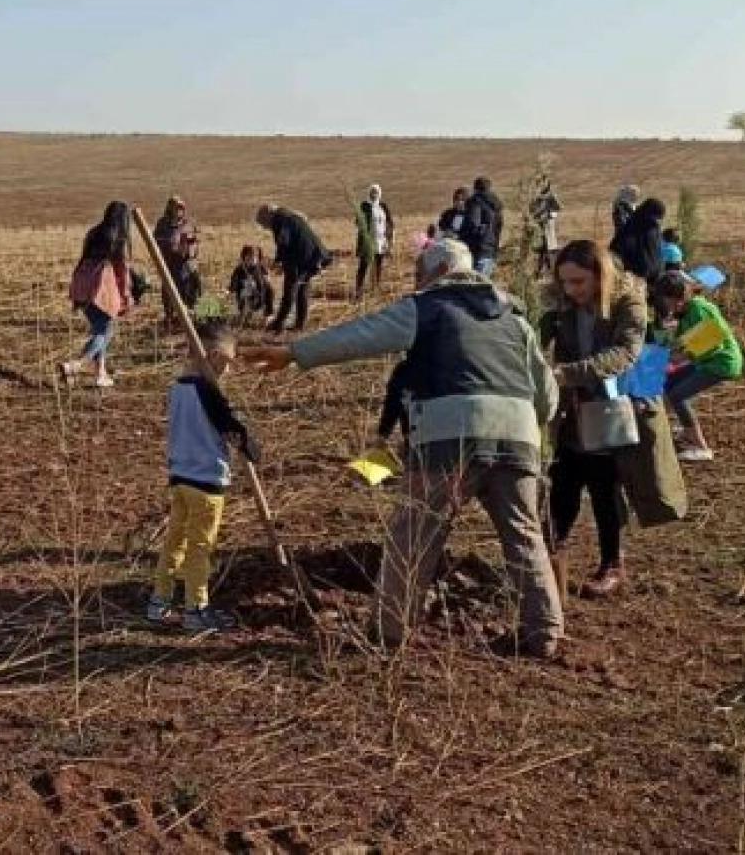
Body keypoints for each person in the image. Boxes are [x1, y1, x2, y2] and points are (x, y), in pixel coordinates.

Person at [240, 239, 563, 657]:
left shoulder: (427, 306)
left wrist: (294, 352)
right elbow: (548, 396)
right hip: (518, 435)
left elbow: (361, 334)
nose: (416, 282)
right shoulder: (515, 320)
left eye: (419, 274)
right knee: (523, 533)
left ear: (439, 270)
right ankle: (546, 632)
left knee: (414, 534)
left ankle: (389, 631)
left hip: (450, 434)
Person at [539, 241, 647, 597]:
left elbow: (624, 354)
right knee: (563, 480)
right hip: (571, 411)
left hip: (612, 407)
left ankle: (612, 564)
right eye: (565, 282)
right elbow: (540, 341)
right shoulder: (559, 303)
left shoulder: (627, 301)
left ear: (601, 276)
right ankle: (551, 559)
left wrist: (566, 374)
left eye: (579, 282)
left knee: (604, 487)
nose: (571, 290)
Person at [146, 321, 260, 631]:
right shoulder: (210, 393)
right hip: (207, 483)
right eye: (228, 362)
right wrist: (249, 444)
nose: (229, 371)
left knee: (175, 541)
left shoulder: (177, 387)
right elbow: (231, 430)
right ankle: (196, 608)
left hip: (180, 477)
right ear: (212, 357)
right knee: (200, 547)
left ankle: (160, 600)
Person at [657, 272, 742, 462]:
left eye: (667, 300)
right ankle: (688, 428)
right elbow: (680, 342)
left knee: (677, 396)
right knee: (669, 383)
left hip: (721, 362)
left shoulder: (698, 309)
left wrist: (677, 358)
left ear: (677, 297)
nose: (665, 305)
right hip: (706, 360)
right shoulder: (686, 311)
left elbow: (713, 343)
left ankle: (701, 447)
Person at [62, 202, 134, 387]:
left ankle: (100, 373)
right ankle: (76, 365)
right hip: (100, 287)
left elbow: (83, 257)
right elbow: (123, 271)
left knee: (101, 329)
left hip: (81, 281)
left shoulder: (93, 233)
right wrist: (126, 296)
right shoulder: (118, 239)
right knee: (103, 332)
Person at [257, 203, 330, 334]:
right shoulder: (290, 216)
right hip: (313, 256)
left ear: (268, 217)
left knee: (289, 291)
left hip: (302, 259)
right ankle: (299, 324)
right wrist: (281, 261)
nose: (265, 228)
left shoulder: (280, 219)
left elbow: (283, 241)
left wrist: (279, 261)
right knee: (302, 290)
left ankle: (278, 324)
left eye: (264, 224)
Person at [153, 197, 201, 324]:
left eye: (182, 207)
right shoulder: (162, 223)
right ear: (170, 208)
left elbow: (195, 242)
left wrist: (191, 249)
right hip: (169, 263)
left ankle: (189, 317)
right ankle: (169, 316)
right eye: (177, 207)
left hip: (186, 263)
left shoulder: (188, 223)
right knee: (169, 290)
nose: (180, 210)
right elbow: (156, 241)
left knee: (189, 288)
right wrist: (172, 247)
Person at [610, 197, 665, 283]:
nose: (656, 223)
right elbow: (615, 258)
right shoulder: (628, 232)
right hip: (633, 285)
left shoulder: (653, 229)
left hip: (655, 284)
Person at [354, 184, 394, 296]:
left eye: (376, 192)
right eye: (372, 192)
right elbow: (358, 222)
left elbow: (390, 223)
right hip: (368, 241)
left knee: (377, 265)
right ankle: (358, 290)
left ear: (380, 193)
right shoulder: (365, 205)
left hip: (380, 241)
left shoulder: (383, 206)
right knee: (364, 266)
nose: (374, 194)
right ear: (369, 193)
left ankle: (375, 288)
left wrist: (389, 239)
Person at [466, 177, 504, 276]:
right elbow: (498, 229)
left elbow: (473, 225)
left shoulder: (475, 202)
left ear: (475, 188)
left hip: (477, 250)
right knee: (483, 285)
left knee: (473, 285)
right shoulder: (496, 206)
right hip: (491, 250)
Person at [228, 246, 275, 323]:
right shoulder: (239, 269)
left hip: (260, 296)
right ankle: (244, 313)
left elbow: (267, 276)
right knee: (247, 287)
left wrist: (266, 278)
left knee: (270, 289)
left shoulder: (260, 267)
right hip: (245, 297)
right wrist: (229, 290)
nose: (253, 259)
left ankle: (268, 314)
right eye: (249, 256)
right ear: (244, 257)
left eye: (255, 257)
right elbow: (234, 281)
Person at [530, 183, 563, 278]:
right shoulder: (535, 198)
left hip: (548, 227)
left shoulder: (551, 197)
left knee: (546, 251)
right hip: (538, 228)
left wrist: (551, 214)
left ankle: (542, 271)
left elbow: (558, 208)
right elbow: (531, 210)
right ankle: (546, 271)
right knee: (543, 251)